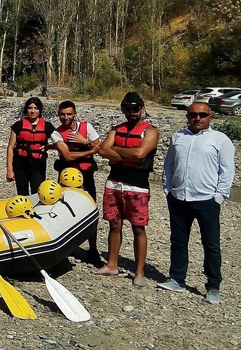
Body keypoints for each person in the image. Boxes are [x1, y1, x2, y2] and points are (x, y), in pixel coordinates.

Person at [158, 102, 235, 304]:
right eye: (193, 114)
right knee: (178, 241)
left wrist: (219, 196)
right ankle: (177, 279)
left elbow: (227, 171)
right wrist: (168, 189)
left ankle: (213, 287)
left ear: (210, 117)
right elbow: (169, 165)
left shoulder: (220, 140)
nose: (197, 118)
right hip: (179, 198)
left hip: (206, 200)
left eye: (202, 114)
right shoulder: (178, 137)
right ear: (187, 116)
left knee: (210, 244)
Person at [95, 92, 159, 288]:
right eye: (128, 109)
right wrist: (127, 154)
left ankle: (139, 271)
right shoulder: (116, 129)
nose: (131, 113)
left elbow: (140, 154)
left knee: (138, 228)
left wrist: (117, 151)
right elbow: (103, 150)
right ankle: (112, 264)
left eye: (135, 109)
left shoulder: (150, 132)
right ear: (123, 110)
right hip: (114, 183)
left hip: (137, 186)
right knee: (114, 224)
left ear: (142, 110)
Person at [50, 100, 101, 262]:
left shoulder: (87, 128)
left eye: (69, 114)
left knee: (91, 210)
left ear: (75, 114)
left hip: (86, 176)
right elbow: (67, 156)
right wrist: (90, 150)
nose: (65, 117)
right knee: (63, 210)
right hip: (66, 177)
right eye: (62, 114)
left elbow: (99, 146)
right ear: (58, 115)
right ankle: (63, 247)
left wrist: (85, 142)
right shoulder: (56, 133)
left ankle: (93, 249)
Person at [5, 97, 56, 195]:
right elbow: (10, 148)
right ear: (26, 110)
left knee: (37, 193)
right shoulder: (18, 125)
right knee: (22, 193)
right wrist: (9, 170)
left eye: (36, 108)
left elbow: (59, 143)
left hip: (38, 165)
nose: (33, 111)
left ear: (40, 110)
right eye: (30, 108)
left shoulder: (47, 126)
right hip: (20, 165)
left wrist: (48, 147)